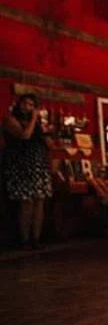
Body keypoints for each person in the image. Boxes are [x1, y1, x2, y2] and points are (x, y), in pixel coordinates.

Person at [2, 94, 53, 249]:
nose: (28, 107)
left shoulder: (36, 123)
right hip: (21, 165)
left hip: (38, 165)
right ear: (19, 104)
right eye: (25, 103)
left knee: (39, 201)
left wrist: (46, 132)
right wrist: (33, 120)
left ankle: (36, 238)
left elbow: (49, 144)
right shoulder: (11, 119)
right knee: (26, 203)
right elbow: (24, 136)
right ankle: (24, 239)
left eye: (32, 105)